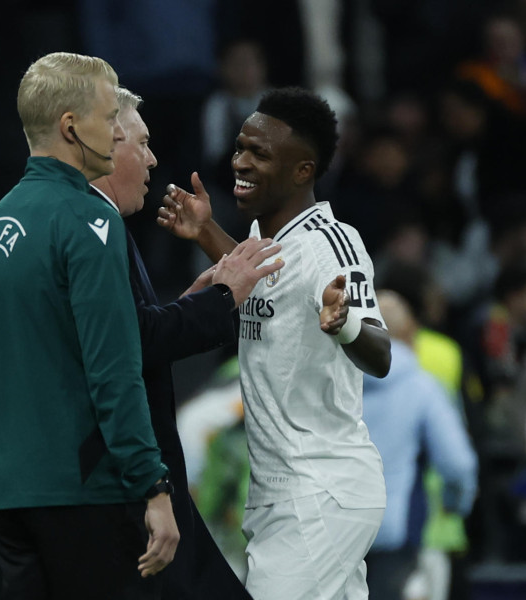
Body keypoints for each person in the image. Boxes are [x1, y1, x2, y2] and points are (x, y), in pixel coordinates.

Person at [158, 86, 392, 600]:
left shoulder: (334, 244)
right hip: (285, 491)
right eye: (240, 146)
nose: (240, 161)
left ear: (302, 170)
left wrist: (346, 323)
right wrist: (205, 232)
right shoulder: (275, 243)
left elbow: (381, 354)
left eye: (258, 153)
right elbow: (262, 278)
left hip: (318, 489)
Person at [0, 52, 178, 600]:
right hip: (83, 495)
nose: (117, 133)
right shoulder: (89, 217)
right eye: (110, 118)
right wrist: (152, 485)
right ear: (70, 126)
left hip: (10, 497)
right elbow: (115, 369)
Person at [91, 87, 283, 598]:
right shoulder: (94, 226)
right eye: (144, 143)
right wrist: (154, 492)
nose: (154, 158)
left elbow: (130, 334)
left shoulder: (85, 221)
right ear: (106, 145)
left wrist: (193, 300)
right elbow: (132, 350)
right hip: (131, 484)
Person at [362, 290, 478, 600]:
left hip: (333, 532)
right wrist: (457, 502)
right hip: (396, 533)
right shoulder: (421, 388)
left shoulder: (332, 385)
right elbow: (458, 462)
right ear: (410, 332)